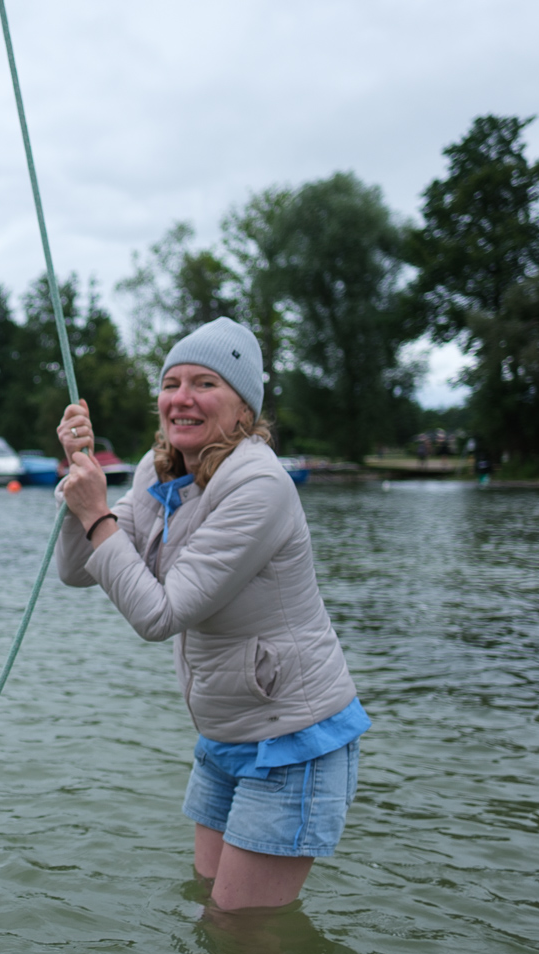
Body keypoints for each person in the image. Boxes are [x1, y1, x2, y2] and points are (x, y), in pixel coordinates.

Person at [54, 317, 367, 912]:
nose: (182, 398)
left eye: (205, 383)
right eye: (171, 383)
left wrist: (96, 514)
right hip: (224, 733)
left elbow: (159, 616)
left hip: (292, 738)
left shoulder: (260, 485)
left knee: (240, 933)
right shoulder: (157, 469)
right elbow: (76, 569)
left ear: (244, 407)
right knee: (211, 912)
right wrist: (78, 483)